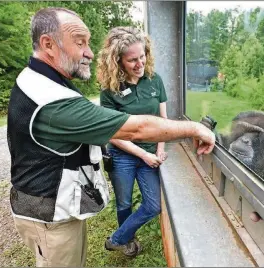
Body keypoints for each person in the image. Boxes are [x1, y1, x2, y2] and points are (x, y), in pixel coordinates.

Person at [7, 7, 215, 267]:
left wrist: (157, 149)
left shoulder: (39, 81)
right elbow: (133, 129)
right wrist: (195, 128)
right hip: (49, 215)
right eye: (80, 42)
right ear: (48, 44)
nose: (90, 53)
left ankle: (119, 237)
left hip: (53, 208)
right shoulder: (53, 102)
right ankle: (122, 237)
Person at [97, 26, 168, 257]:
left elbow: (162, 121)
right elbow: (113, 133)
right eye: (132, 60)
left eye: (142, 56)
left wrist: (159, 149)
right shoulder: (110, 90)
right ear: (118, 62)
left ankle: (117, 239)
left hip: (150, 154)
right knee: (124, 203)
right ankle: (128, 242)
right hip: (123, 156)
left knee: (153, 205)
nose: (139, 64)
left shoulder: (155, 80)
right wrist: (143, 154)